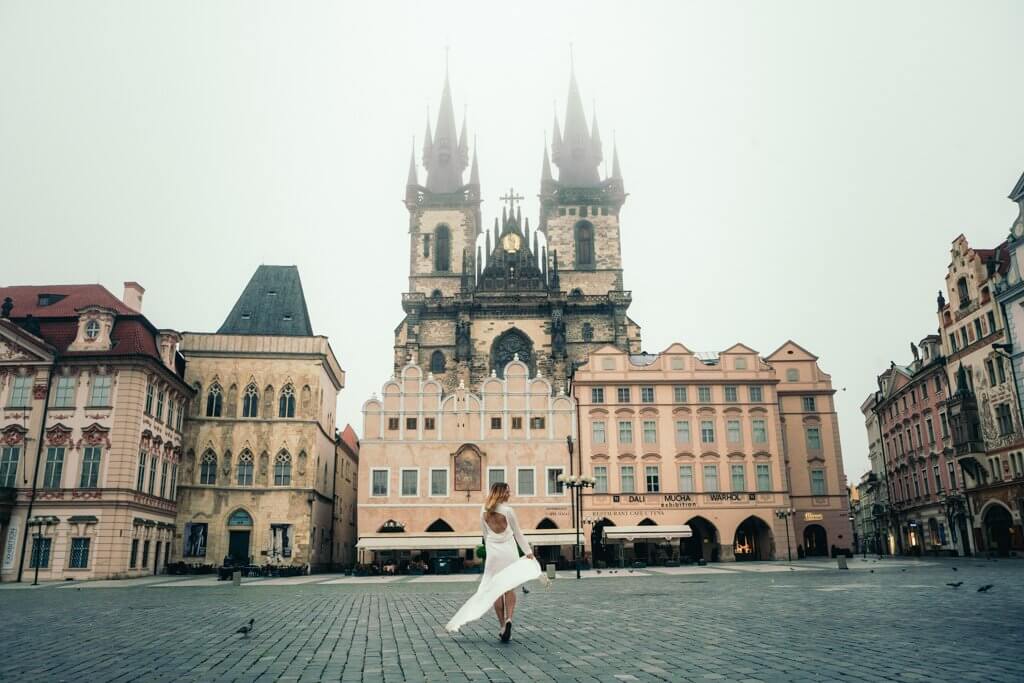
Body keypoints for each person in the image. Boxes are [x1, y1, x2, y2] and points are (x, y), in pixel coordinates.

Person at [445, 482, 541, 641]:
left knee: (496, 589)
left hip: (494, 553)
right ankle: (509, 619)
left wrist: (489, 553)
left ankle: (503, 625)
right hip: (509, 551)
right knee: (509, 588)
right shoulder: (508, 511)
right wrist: (529, 553)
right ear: (502, 493)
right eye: (508, 491)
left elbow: (485, 535)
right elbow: (518, 534)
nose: (510, 494)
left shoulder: (483, 510)